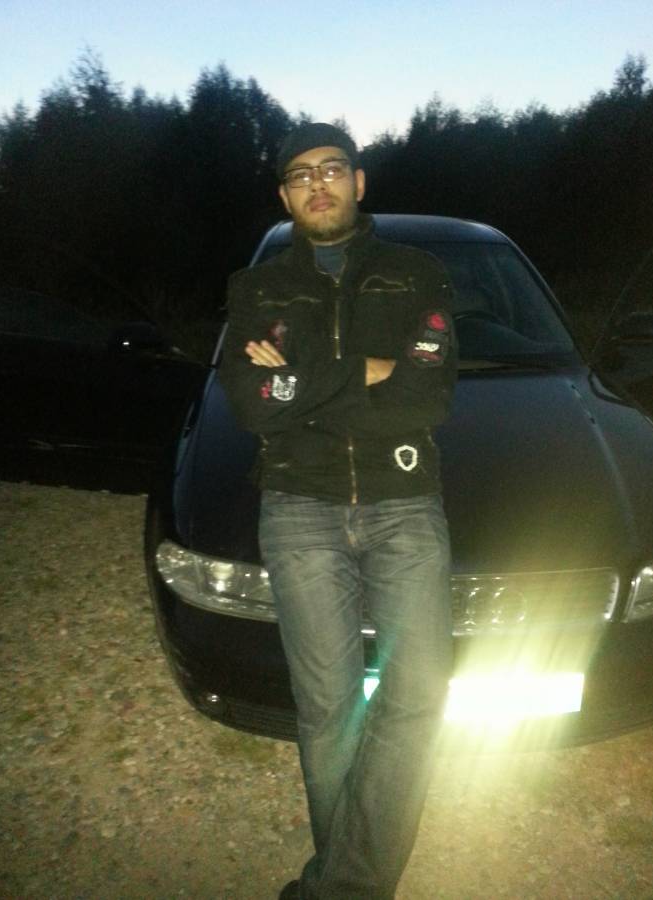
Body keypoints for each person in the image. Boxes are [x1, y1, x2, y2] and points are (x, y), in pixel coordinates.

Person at [220, 122, 457, 899]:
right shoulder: (254, 289)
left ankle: (339, 887)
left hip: (403, 502)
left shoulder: (416, 273)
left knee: (417, 693)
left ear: (358, 182)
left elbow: (427, 395)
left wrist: (303, 380)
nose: (316, 183)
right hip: (299, 506)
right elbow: (253, 405)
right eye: (300, 175)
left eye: (330, 168)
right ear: (284, 197)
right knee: (326, 708)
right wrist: (368, 371)